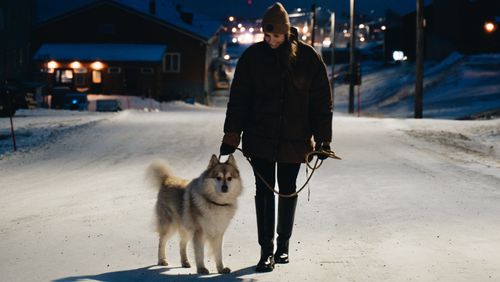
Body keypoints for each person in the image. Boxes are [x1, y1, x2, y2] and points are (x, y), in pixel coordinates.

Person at [219, 2, 332, 272]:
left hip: (296, 139)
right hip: (260, 138)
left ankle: (283, 247)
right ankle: (266, 251)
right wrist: (232, 136)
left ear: (286, 32)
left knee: (288, 189)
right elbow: (239, 100)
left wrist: (323, 140)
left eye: (276, 36)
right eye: (267, 36)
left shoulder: (308, 58)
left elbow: (321, 103)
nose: (271, 41)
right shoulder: (252, 58)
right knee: (264, 192)